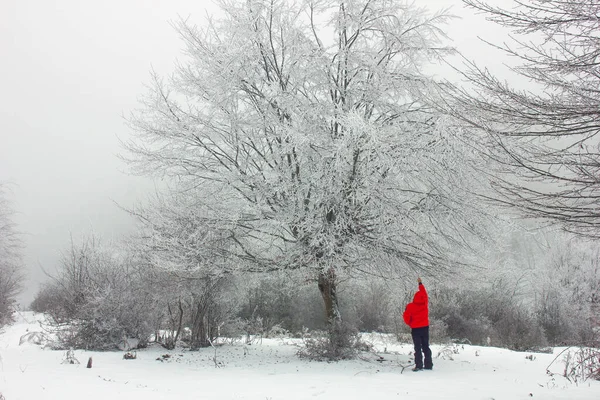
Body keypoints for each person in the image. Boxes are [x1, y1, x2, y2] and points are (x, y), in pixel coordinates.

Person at [403, 277, 433, 371]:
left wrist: (410, 323)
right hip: (425, 327)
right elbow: (424, 293)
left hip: (416, 329)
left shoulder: (410, 306)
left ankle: (419, 365)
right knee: (425, 346)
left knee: (417, 347)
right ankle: (428, 364)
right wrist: (420, 284)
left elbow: (406, 317)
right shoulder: (424, 304)